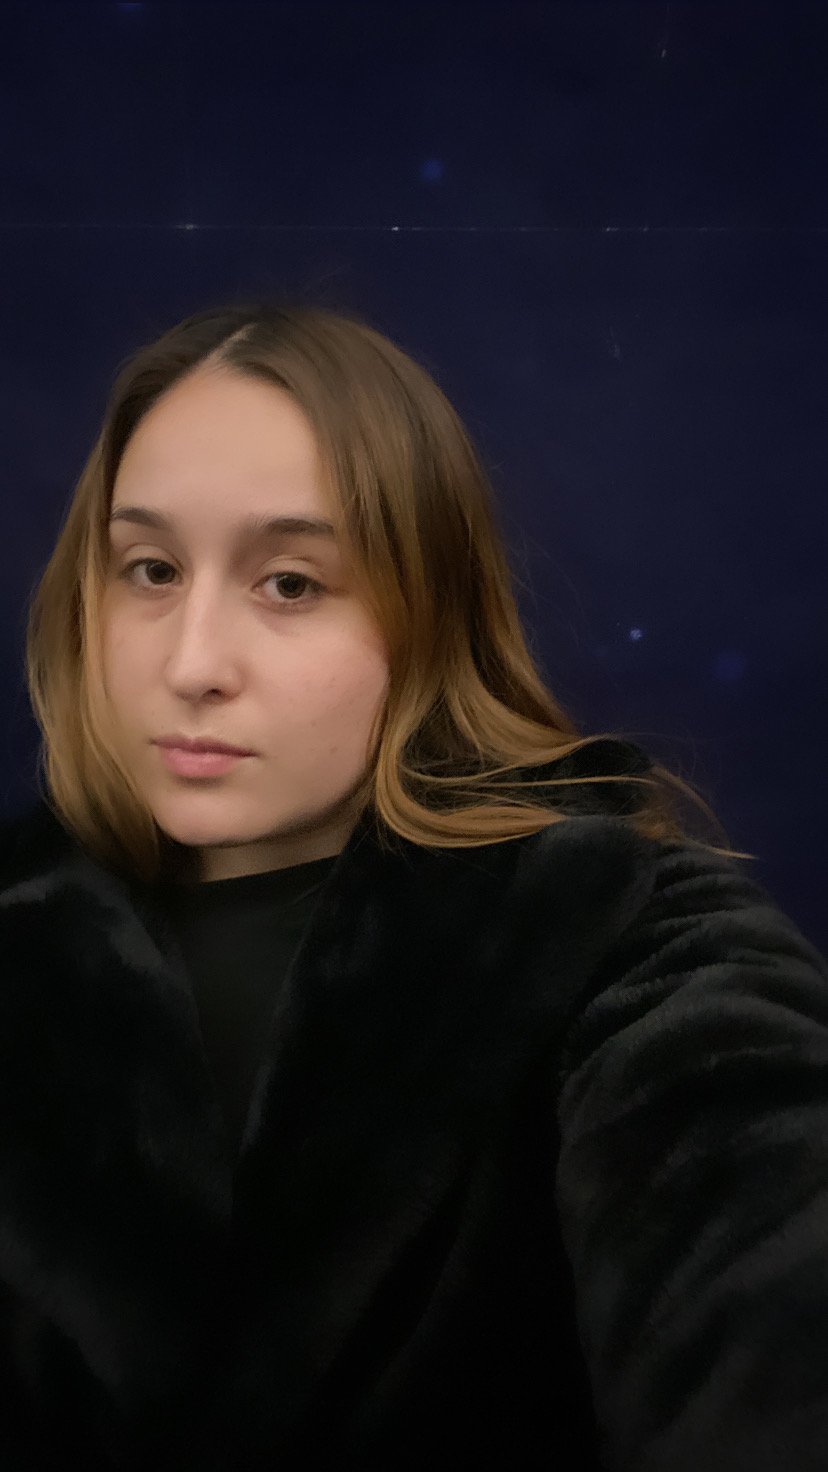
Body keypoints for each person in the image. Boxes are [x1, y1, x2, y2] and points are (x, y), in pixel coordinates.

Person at [1, 296, 825, 1472]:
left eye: (291, 584)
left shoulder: (630, 938)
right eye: (151, 568)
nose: (191, 663)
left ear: (426, 616)